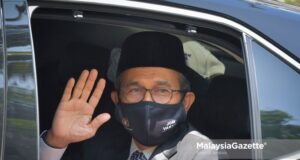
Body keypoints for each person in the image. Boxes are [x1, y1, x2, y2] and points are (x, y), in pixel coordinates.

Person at [40, 31, 218, 160]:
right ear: (117, 100)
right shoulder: (99, 140)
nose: (147, 101)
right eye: (134, 90)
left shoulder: (198, 152)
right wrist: (56, 141)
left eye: (162, 91)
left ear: (185, 102)